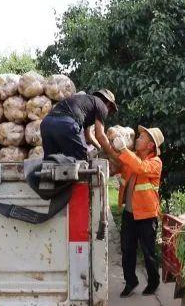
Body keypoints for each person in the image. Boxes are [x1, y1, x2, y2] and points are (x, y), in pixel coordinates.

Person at [111, 126, 164, 298]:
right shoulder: (132, 157)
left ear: (150, 146)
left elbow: (140, 168)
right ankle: (130, 282)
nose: (137, 139)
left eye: (141, 137)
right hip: (129, 214)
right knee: (127, 249)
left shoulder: (155, 162)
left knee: (148, 252)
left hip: (147, 215)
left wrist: (124, 150)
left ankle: (153, 282)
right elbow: (117, 166)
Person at [40, 89, 118, 160]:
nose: (108, 111)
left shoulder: (86, 104)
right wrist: (114, 155)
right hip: (66, 124)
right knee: (81, 161)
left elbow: (88, 136)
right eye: (110, 109)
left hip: (46, 123)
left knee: (50, 163)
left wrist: (99, 148)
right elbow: (100, 135)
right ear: (108, 104)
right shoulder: (102, 106)